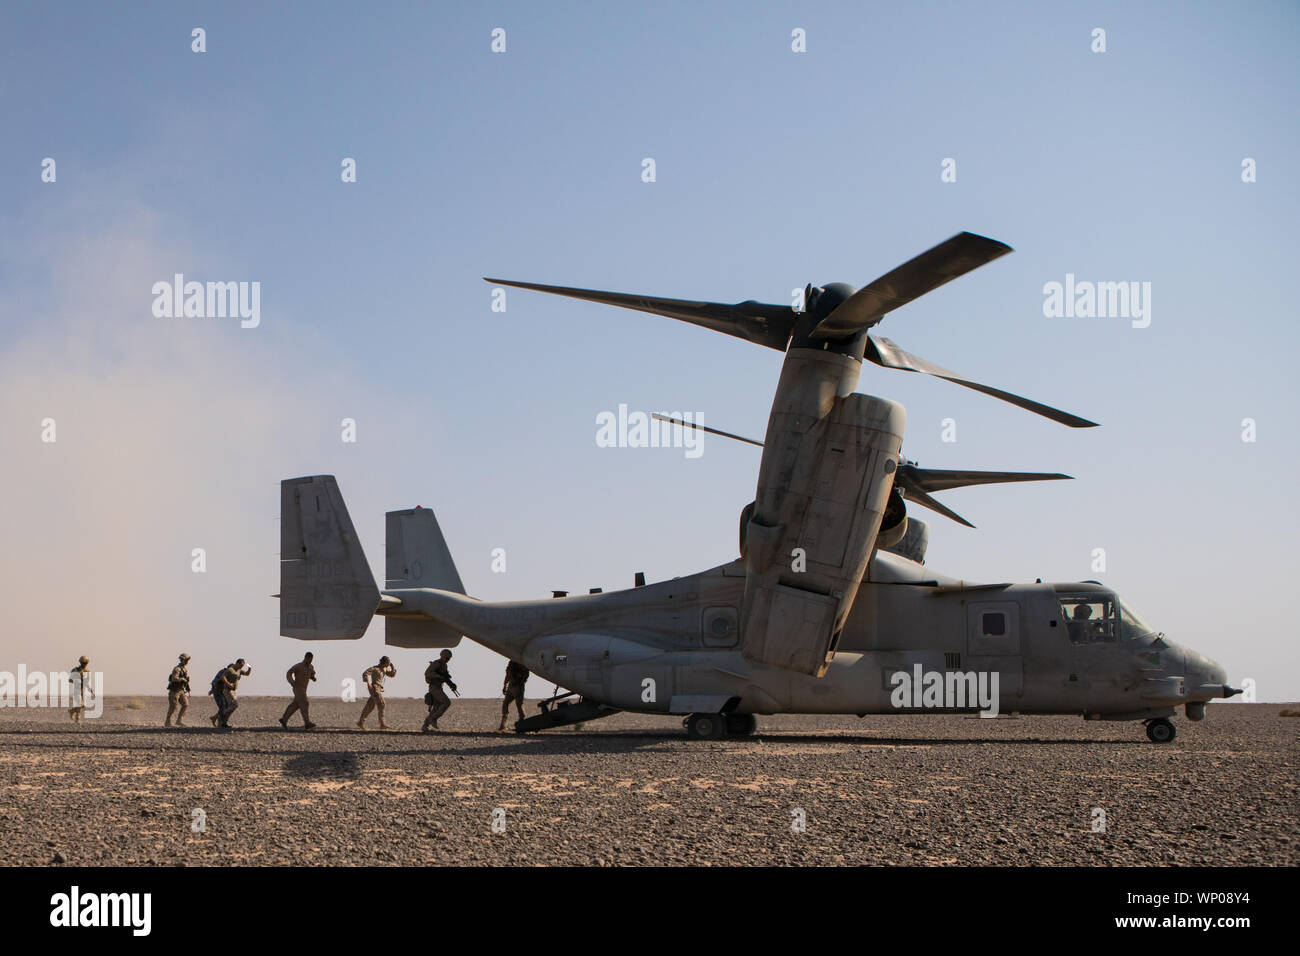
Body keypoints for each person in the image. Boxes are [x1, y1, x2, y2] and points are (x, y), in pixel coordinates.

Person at [421, 650, 458, 732]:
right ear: (442, 656)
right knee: (446, 702)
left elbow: (445, 678)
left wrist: (451, 685)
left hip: (439, 687)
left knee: (436, 708)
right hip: (434, 687)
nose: (447, 659)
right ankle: (432, 718)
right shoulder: (436, 664)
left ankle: (425, 726)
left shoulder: (444, 666)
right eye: (446, 658)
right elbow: (427, 673)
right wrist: (437, 676)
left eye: (449, 658)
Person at [357, 655, 396, 730]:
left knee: (370, 706)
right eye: (388, 663)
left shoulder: (384, 669)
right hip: (375, 688)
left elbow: (392, 675)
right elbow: (365, 673)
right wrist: (368, 683)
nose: (388, 664)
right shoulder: (375, 669)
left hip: (378, 688)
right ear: (384, 663)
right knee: (382, 704)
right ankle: (382, 724)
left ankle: (360, 722)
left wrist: (392, 667)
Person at [280, 652, 317, 729]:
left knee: (296, 705)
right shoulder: (299, 666)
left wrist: (313, 678)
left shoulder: (310, 667)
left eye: (311, 660)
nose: (310, 661)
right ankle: (307, 723)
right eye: (309, 659)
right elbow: (289, 672)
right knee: (305, 703)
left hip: (304, 689)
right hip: (297, 687)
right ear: (305, 658)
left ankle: (284, 719)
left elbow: (312, 674)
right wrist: (291, 682)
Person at [210, 659, 251, 727]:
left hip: (233, 690)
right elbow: (223, 677)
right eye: (240, 665)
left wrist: (250, 668)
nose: (241, 667)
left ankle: (220, 720)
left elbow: (247, 674)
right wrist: (228, 684)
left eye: (242, 666)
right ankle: (220, 717)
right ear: (237, 663)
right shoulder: (230, 670)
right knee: (234, 705)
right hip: (228, 690)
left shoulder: (239, 670)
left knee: (229, 706)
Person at [498, 659, 529, 731]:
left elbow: (525, 676)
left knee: (519, 705)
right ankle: (503, 725)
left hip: (518, 687)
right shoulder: (512, 663)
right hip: (511, 687)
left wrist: (519, 679)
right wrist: (505, 685)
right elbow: (508, 674)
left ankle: (522, 722)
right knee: (505, 704)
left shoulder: (522, 663)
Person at [165, 653, 192, 727]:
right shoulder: (177, 669)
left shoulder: (184, 669)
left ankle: (179, 721)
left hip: (181, 690)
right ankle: (167, 721)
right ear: (182, 660)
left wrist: (187, 687)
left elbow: (185, 680)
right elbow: (174, 678)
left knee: (185, 704)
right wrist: (182, 679)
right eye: (186, 660)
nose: (187, 662)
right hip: (175, 690)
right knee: (173, 706)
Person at [68, 656, 93, 723]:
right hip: (76, 690)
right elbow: (70, 680)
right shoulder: (75, 670)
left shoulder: (87, 671)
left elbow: (87, 682)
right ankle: (77, 719)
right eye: (83, 662)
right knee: (79, 705)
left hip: (83, 690)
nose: (84, 664)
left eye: (85, 663)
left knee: (82, 705)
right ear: (80, 662)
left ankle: (72, 711)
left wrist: (90, 689)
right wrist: (76, 681)